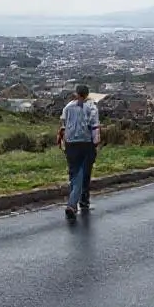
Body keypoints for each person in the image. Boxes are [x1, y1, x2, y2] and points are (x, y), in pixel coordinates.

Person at [57, 84, 101, 219]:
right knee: (83, 173)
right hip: (85, 143)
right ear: (87, 94)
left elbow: (63, 123)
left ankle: (77, 200)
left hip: (70, 144)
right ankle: (75, 203)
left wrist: (63, 139)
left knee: (74, 172)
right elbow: (94, 127)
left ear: (76, 93)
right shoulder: (91, 107)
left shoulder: (68, 107)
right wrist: (96, 143)